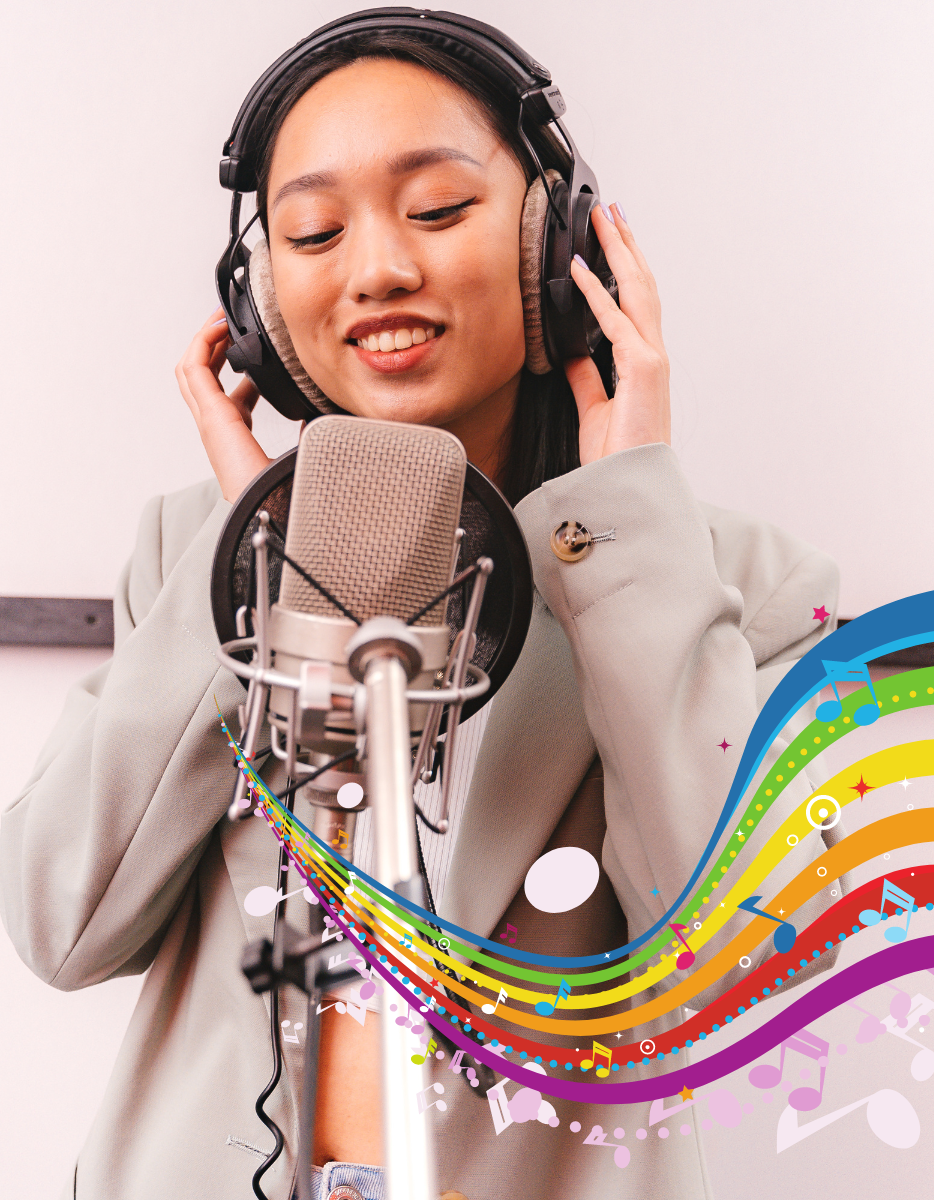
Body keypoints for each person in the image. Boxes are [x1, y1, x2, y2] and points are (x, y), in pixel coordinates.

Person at [1, 15, 847, 1200]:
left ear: (555, 247)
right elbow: (61, 924)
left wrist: (627, 531)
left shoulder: (738, 587)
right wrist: (258, 564)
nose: (378, 268)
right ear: (260, 295)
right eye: (311, 230)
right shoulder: (186, 552)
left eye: (439, 211)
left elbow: (723, 966)